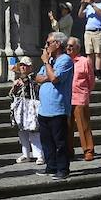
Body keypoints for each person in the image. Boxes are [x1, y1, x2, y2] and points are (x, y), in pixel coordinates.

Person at [36, 31, 74, 181]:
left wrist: (46, 63)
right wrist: (48, 73)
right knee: (47, 141)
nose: (46, 46)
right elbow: (38, 78)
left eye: (48, 43)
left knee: (60, 142)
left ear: (57, 44)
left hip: (58, 109)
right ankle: (51, 166)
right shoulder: (51, 60)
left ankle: (63, 169)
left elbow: (55, 79)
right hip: (44, 109)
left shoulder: (65, 60)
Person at [66, 36, 97, 160]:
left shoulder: (84, 61)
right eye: (67, 45)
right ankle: (68, 152)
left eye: (71, 46)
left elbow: (91, 80)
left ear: (78, 48)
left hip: (80, 97)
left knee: (84, 126)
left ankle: (88, 151)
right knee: (67, 127)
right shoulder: (64, 61)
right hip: (66, 99)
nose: (68, 48)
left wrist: (86, 93)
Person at [9, 56, 42, 164]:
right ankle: (25, 154)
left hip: (31, 106)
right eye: (21, 65)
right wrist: (15, 87)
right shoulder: (18, 79)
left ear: (30, 67)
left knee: (34, 130)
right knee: (22, 131)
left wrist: (24, 81)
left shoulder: (34, 77)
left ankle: (39, 155)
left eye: (25, 65)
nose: (23, 67)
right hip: (20, 107)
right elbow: (12, 94)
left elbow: (34, 88)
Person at [78, 0, 101, 72]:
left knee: (98, 53)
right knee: (89, 53)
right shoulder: (88, 7)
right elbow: (80, 15)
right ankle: (90, 72)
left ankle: (98, 72)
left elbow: (100, 13)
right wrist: (82, 5)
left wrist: (91, 3)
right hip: (88, 32)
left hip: (98, 31)